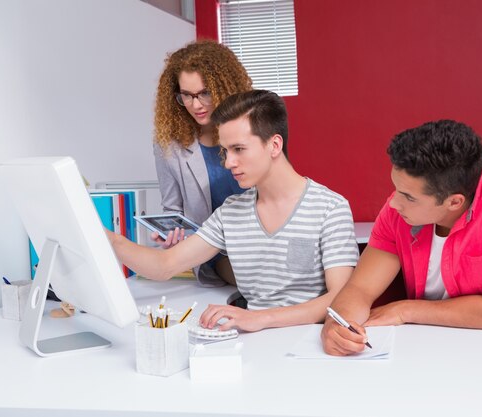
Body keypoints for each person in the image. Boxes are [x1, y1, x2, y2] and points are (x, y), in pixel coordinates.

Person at [107, 90, 359, 332]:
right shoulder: (231, 212)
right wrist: (108, 239)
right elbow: (164, 265)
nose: (229, 163)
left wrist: (259, 318)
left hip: (310, 343)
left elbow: (340, 299)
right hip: (253, 343)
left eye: (238, 149)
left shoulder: (330, 208)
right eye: (225, 151)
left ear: (274, 145)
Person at [321, 119, 482, 362]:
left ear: (454, 202)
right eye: (396, 188)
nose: (393, 203)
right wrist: (339, 325)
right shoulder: (397, 212)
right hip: (427, 342)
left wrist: (405, 310)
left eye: (408, 197)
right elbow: (360, 288)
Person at [152, 40, 252, 287]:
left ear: (223, 88)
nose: (195, 105)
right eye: (186, 95)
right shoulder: (169, 145)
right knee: (255, 279)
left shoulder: (255, 127)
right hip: (215, 252)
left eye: (204, 93)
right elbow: (172, 210)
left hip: (263, 241)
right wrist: (170, 234)